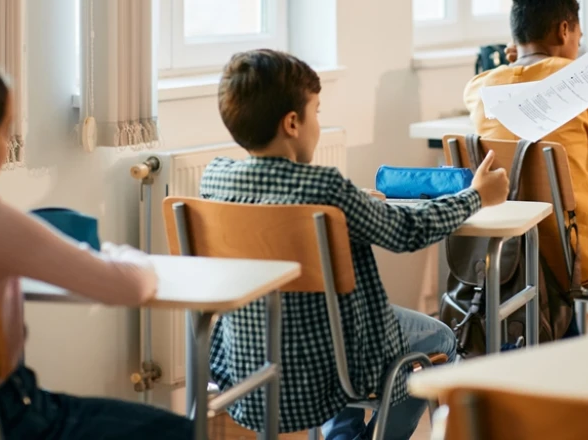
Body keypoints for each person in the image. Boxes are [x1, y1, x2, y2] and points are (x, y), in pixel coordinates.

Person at [203, 49, 509, 439]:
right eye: (317, 111)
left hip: (248, 359)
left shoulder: (216, 179)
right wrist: (478, 195)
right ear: (293, 123)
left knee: (341, 328)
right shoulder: (326, 189)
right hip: (331, 366)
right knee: (442, 340)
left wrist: (357, 202)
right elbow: (408, 230)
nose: (318, 122)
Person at [0, 62, 193, 438]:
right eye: (5, 130)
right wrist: (128, 254)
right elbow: (131, 286)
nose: (10, 139)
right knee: (184, 432)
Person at [467, 0, 588, 336]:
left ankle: (568, 338)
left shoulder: (480, 88)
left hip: (504, 247)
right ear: (565, 29)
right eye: (578, 38)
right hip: (569, 251)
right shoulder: (583, 81)